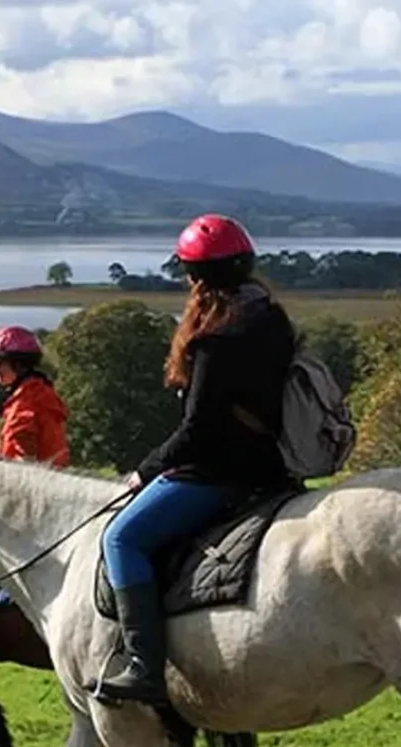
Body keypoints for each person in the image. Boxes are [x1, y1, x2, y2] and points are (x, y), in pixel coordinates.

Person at [93, 213, 297, 705]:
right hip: (272, 470)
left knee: (121, 537)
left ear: (198, 278)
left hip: (218, 474)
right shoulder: (272, 319)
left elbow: (198, 431)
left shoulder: (215, 340)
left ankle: (143, 667)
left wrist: (144, 469)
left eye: (188, 272)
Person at [0, 325, 70, 468]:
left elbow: (24, 457)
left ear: (19, 365)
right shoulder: (42, 392)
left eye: (1, 362)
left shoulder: (26, 402)